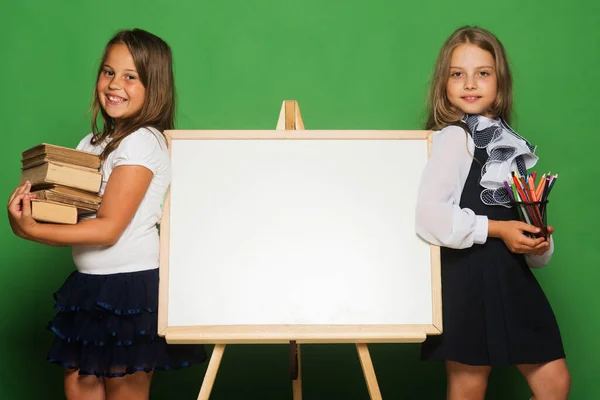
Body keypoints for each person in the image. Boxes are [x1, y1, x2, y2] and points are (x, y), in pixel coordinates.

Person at [7, 28, 206, 400]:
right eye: (108, 71)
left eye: (131, 76)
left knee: (123, 388)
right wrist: (30, 216)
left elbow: (108, 229)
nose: (115, 84)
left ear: (155, 87)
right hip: (90, 283)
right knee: (80, 384)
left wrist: (33, 231)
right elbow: (77, 216)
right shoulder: (92, 143)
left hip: (129, 285)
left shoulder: (142, 142)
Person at [415, 26, 570, 400]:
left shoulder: (505, 141)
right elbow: (430, 217)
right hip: (466, 278)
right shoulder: (455, 138)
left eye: (482, 73)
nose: (470, 83)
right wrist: (500, 230)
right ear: (444, 84)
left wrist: (538, 244)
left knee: (554, 382)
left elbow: (525, 227)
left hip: (510, 275)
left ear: (500, 81)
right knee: (469, 384)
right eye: (458, 74)